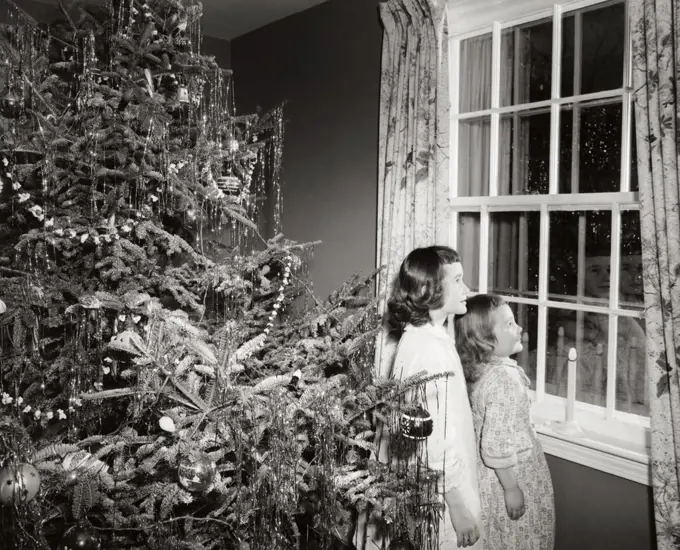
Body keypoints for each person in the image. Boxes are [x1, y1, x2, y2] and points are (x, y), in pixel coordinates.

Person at [371, 245, 483, 549]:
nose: (467, 289)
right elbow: (430, 439)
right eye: (457, 280)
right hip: (443, 496)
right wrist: (458, 504)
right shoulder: (428, 350)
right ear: (426, 289)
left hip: (436, 486)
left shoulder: (425, 338)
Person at [455, 294, 554, 550]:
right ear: (485, 339)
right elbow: (495, 445)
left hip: (490, 479)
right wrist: (511, 488)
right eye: (509, 324)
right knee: (522, 539)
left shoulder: (483, 370)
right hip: (511, 476)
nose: (519, 328)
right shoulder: (504, 380)